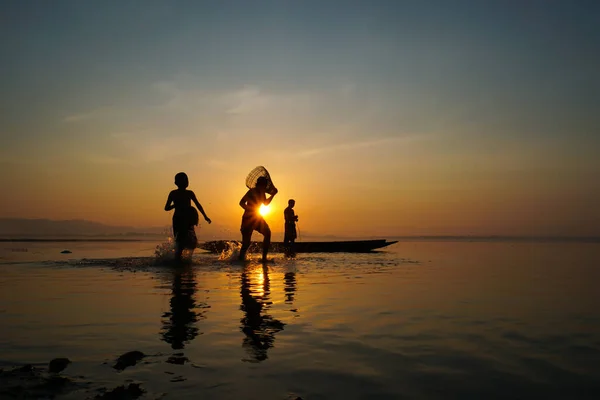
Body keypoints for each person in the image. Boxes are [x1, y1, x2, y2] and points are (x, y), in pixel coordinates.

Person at [164, 172, 211, 262]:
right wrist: (175, 205)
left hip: (188, 220)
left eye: (187, 180)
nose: (186, 182)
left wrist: (205, 216)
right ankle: (178, 260)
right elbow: (166, 208)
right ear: (177, 183)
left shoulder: (189, 193)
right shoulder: (173, 193)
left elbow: (198, 204)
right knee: (179, 242)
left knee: (192, 241)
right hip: (178, 220)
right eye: (184, 180)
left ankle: (186, 260)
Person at [238, 176, 277, 261]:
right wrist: (249, 209)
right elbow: (241, 202)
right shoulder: (252, 191)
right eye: (264, 185)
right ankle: (240, 260)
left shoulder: (262, 193)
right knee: (246, 243)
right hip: (248, 218)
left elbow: (265, 203)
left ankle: (264, 258)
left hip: (257, 217)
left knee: (267, 233)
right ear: (259, 184)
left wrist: (273, 195)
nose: (264, 187)